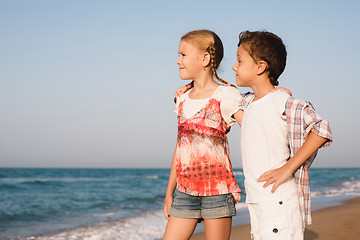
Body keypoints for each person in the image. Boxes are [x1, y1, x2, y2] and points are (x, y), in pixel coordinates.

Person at [233, 30, 333, 240]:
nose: (234, 67)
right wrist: (186, 89)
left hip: (278, 200)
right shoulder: (248, 103)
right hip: (258, 200)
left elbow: (321, 129)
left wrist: (288, 168)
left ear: (261, 66)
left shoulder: (279, 100)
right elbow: (222, 95)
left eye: (239, 61)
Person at [163, 30, 243, 240]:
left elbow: (255, 132)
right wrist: (169, 192)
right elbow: (181, 149)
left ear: (205, 58)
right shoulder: (182, 99)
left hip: (218, 192)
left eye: (183, 55)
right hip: (184, 193)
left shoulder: (227, 95)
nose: (178, 61)